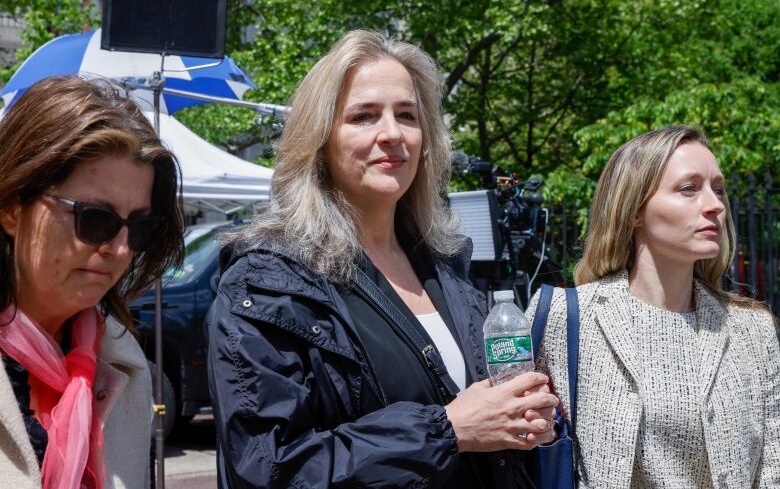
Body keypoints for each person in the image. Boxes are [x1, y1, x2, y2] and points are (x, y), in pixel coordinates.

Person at [207, 30, 559, 488]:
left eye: (407, 116)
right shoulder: (265, 285)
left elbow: (484, 426)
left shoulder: (447, 267)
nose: (391, 133)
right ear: (320, 139)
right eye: (364, 116)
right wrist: (447, 431)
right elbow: (268, 468)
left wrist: (526, 423)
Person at [528, 126, 780, 488]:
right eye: (689, 188)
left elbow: (772, 471)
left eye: (718, 188)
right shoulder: (566, 318)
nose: (716, 205)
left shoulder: (753, 331)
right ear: (634, 211)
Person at [0, 76, 184, 489]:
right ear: (12, 207)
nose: (120, 249)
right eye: (95, 219)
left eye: (139, 228)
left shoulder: (124, 363)